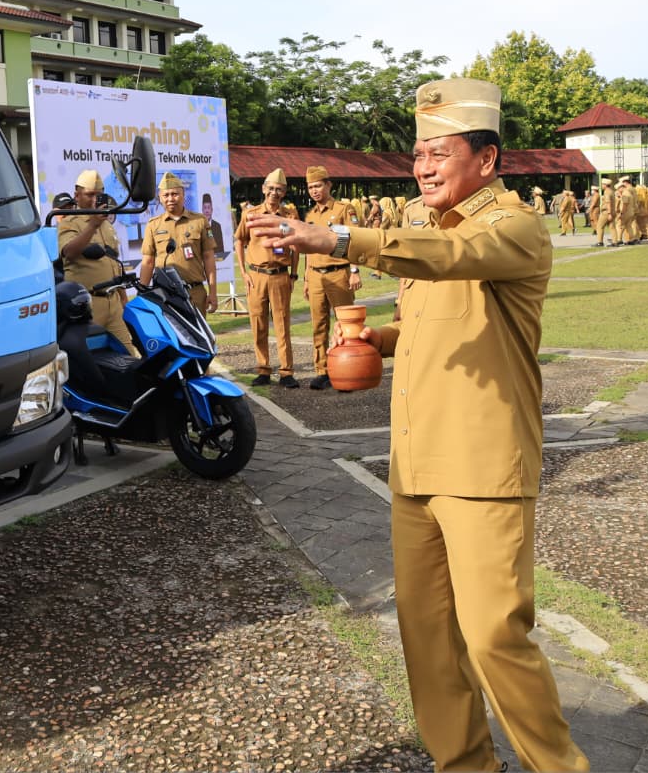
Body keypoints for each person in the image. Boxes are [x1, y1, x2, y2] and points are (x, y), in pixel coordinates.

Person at [246, 78, 587, 773]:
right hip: (416, 460)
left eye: (438, 152)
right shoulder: (427, 225)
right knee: (427, 636)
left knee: (494, 635)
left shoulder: (513, 226)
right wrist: (385, 339)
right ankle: (463, 764)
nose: (422, 166)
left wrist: (338, 236)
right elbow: (439, 309)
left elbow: (458, 261)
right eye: (417, 154)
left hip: (484, 465)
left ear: (486, 160)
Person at [58, 169, 139, 357]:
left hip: (113, 303)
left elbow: (114, 263)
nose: (95, 200)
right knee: (92, 360)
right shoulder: (70, 223)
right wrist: (92, 225)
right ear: (77, 195)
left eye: (99, 195)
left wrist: (123, 298)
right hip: (87, 306)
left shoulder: (107, 225)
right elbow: (69, 252)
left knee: (128, 356)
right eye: (90, 195)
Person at [233, 167, 300, 387]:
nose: (274, 193)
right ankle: (263, 369)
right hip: (257, 276)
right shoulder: (250, 215)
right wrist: (243, 272)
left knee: (282, 323)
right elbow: (239, 241)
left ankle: (286, 371)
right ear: (263, 189)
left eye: (279, 189)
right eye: (270, 188)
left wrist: (294, 274)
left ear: (284, 192)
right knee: (258, 323)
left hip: (280, 275)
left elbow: (296, 246)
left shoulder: (290, 216)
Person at [301, 165, 361, 390]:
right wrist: (307, 279)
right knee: (319, 325)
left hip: (339, 274)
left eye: (318, 185)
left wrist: (354, 270)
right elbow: (307, 249)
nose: (314, 191)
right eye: (310, 187)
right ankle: (322, 370)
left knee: (345, 325)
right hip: (316, 276)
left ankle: (348, 369)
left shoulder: (344, 210)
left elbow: (354, 240)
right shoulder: (310, 215)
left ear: (328, 185)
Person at [139, 172, 217, 315]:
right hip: (165, 294)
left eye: (175, 194)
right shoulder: (153, 225)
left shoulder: (199, 221)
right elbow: (148, 261)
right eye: (166, 195)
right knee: (170, 336)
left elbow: (208, 257)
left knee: (198, 336)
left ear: (183, 194)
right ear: (160, 198)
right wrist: (142, 295)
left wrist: (213, 292)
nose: (170, 199)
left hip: (194, 293)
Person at [201, 192, 226, 257]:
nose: (207, 211)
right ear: (202, 210)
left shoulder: (217, 226)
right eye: (205, 208)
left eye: (208, 208)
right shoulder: (199, 226)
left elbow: (221, 247)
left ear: (212, 210)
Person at [616, 176, 637, 244]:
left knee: (619, 225)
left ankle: (619, 239)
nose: (618, 191)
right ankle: (632, 239)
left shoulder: (625, 194)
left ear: (621, 187)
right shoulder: (628, 193)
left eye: (618, 189)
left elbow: (625, 205)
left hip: (626, 212)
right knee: (628, 226)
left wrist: (621, 214)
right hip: (630, 212)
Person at [596, 177, 616, 246]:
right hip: (612, 211)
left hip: (606, 212)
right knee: (612, 227)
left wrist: (609, 213)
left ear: (605, 185)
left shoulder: (607, 192)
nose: (601, 186)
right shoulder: (611, 191)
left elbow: (608, 203)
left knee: (599, 226)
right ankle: (614, 242)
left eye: (602, 184)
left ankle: (600, 242)